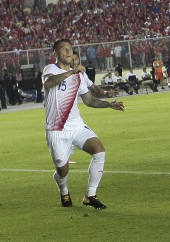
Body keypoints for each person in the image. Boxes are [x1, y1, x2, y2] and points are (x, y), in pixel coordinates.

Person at [44, 38, 124, 209]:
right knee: (62, 170)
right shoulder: (50, 69)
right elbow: (49, 82)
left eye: (70, 49)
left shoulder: (78, 76)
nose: (68, 52)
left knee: (99, 150)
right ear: (56, 54)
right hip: (56, 129)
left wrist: (109, 104)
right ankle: (64, 190)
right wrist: (71, 73)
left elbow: (88, 100)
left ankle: (90, 195)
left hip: (76, 126)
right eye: (64, 49)